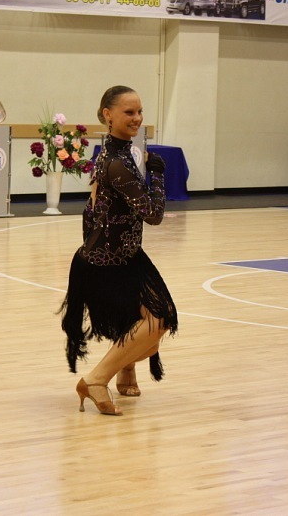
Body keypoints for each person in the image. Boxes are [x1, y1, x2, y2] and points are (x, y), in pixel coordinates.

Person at [61, 85, 178, 416]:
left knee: (151, 326)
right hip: (106, 263)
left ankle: (126, 370)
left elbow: (92, 210)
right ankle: (96, 379)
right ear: (107, 115)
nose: (137, 118)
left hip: (124, 256)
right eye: (129, 112)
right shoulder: (116, 163)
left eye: (140, 111)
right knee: (157, 321)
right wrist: (157, 174)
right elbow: (153, 215)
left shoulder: (118, 154)